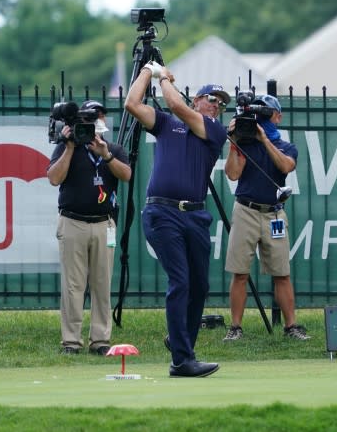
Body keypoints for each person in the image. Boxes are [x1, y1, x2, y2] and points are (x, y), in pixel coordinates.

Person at [124, 61, 229, 378]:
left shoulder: (214, 130)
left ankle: (180, 340)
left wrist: (165, 77)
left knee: (200, 285)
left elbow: (174, 103)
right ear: (197, 100)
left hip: (195, 215)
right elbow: (132, 104)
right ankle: (182, 360)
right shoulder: (167, 123)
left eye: (222, 104)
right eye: (212, 99)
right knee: (181, 280)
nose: (217, 106)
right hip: (162, 212)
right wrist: (146, 72)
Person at [47, 100, 132, 355]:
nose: (93, 122)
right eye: (88, 117)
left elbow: (126, 175)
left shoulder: (113, 148)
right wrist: (71, 147)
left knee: (101, 283)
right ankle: (71, 341)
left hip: (103, 223)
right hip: (73, 221)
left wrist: (105, 155)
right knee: (73, 285)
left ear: (103, 119)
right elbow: (54, 178)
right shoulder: (66, 146)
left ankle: (100, 340)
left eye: (98, 116)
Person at [223, 94, 310, 341]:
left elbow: (285, 167)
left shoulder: (285, 146)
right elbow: (232, 174)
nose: (263, 119)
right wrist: (233, 142)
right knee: (240, 272)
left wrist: (263, 138)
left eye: (267, 114)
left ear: (277, 117)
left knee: (281, 273)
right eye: (260, 115)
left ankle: (291, 326)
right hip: (246, 210)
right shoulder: (244, 143)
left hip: (274, 213)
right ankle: (236, 327)